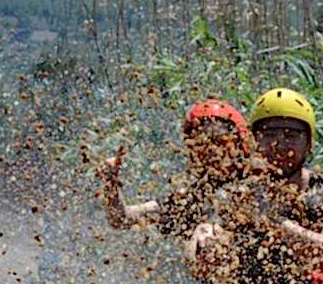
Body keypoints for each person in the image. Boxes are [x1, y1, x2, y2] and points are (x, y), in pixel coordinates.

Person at [186, 87, 323, 284]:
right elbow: (199, 249)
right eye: (269, 134)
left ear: (309, 144)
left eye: (291, 135)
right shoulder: (235, 196)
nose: (280, 144)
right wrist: (204, 248)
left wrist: (274, 222)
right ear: (254, 141)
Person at [97, 99, 253, 240]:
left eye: (219, 140)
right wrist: (111, 184)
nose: (210, 151)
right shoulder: (190, 200)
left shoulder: (257, 189)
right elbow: (121, 219)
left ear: (240, 145)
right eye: (200, 143)